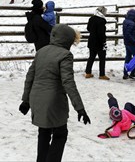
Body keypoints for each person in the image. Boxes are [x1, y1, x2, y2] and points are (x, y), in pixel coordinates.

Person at [19, 24, 91, 162]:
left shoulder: (41, 51)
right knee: (60, 134)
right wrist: (80, 108)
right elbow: (68, 82)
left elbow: (30, 76)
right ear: (67, 40)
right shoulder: (65, 55)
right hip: (54, 101)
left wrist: (26, 100)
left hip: (37, 99)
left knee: (44, 133)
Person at [85, 6, 110, 80]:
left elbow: (88, 28)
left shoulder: (91, 18)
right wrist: (104, 42)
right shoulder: (101, 21)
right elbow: (101, 34)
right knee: (102, 58)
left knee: (91, 57)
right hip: (99, 43)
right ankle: (102, 74)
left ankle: (88, 73)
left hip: (91, 41)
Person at [123, 9, 135, 80]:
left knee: (128, 57)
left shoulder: (126, 21)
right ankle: (132, 73)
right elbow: (129, 33)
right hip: (132, 43)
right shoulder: (132, 24)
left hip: (126, 42)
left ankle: (125, 73)